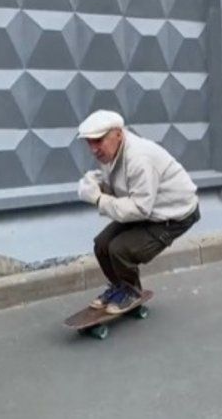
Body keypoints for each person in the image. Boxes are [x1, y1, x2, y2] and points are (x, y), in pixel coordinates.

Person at [77, 110, 200, 314]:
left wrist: (98, 199)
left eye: (98, 141)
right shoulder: (112, 152)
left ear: (118, 133)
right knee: (101, 245)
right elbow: (123, 191)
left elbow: (140, 208)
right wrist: (98, 185)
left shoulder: (139, 158)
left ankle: (131, 292)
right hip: (149, 209)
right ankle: (120, 288)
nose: (93, 149)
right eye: (89, 142)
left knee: (120, 249)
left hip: (176, 215)